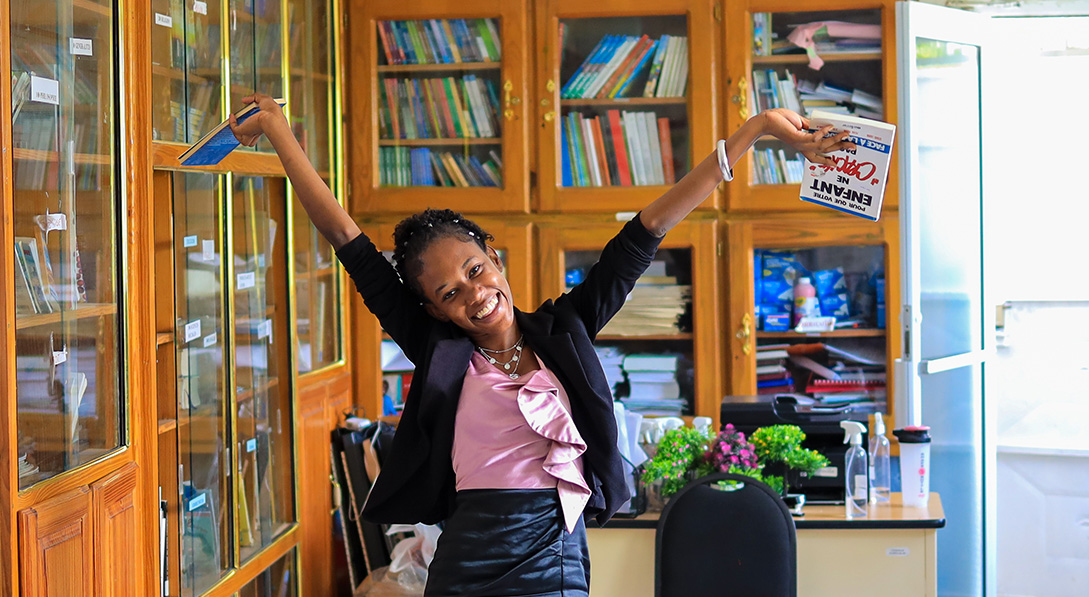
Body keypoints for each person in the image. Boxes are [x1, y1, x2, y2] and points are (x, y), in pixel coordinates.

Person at [230, 94, 852, 596]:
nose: (473, 295)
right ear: (432, 309)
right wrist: (280, 133)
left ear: (494, 259)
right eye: (449, 293)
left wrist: (757, 129)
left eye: (475, 271)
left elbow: (649, 229)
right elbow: (347, 238)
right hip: (468, 558)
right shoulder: (439, 349)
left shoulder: (567, 330)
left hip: (554, 555)